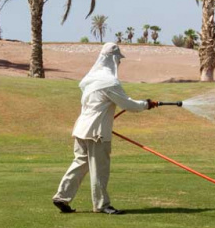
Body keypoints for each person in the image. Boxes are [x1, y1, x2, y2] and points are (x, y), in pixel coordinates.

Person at [53, 42, 158, 215]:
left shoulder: (90, 79)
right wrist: (146, 104)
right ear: (113, 59)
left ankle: (62, 196)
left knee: (80, 163)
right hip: (97, 132)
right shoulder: (109, 82)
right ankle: (101, 205)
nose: (119, 63)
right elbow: (129, 105)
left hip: (81, 129)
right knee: (99, 168)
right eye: (118, 60)